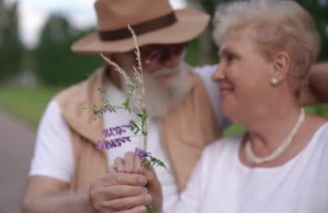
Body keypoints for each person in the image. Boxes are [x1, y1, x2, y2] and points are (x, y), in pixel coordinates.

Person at [22, 0, 328, 212]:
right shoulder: (68, 110)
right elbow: (35, 203)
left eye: (178, 48)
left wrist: (288, 67)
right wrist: (90, 201)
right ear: (115, 57)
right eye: (157, 56)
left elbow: (296, 83)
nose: (174, 62)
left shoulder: (205, 86)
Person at [114, 0, 328, 212]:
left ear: (279, 67)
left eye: (231, 58)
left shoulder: (322, 149)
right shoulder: (215, 157)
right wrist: (152, 205)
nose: (216, 75)